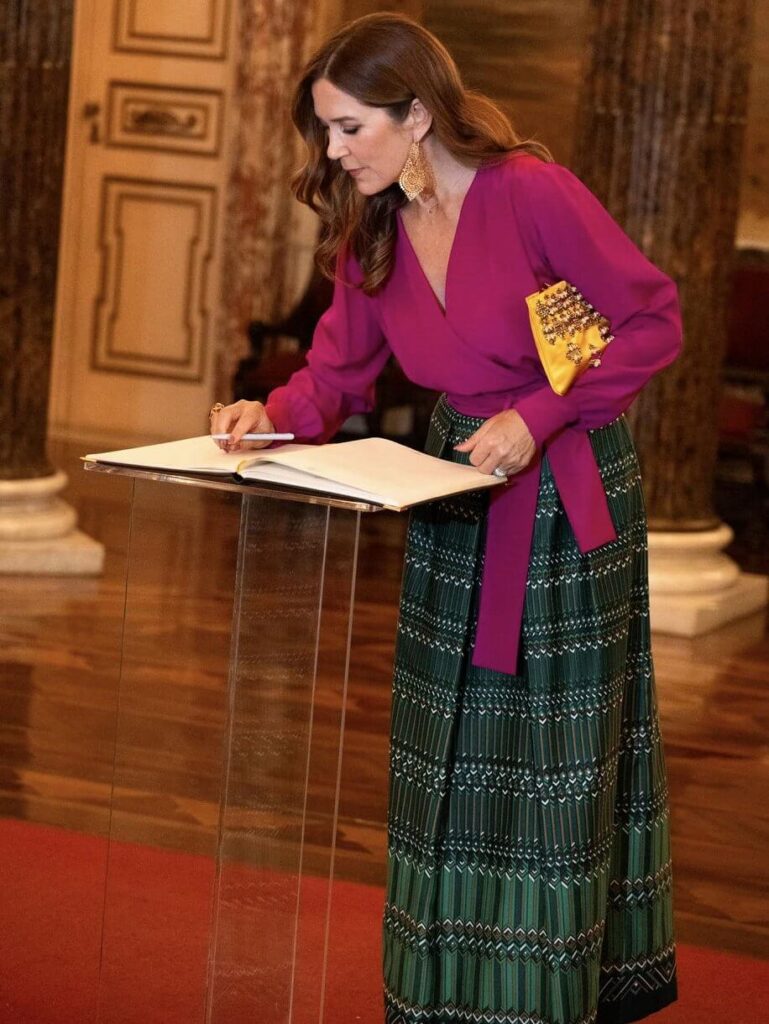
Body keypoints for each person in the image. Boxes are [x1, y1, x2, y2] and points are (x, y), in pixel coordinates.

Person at [209, 13, 681, 1024]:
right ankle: (446, 992)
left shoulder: (531, 194)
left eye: (347, 128)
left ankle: (550, 989)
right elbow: (334, 372)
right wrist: (269, 418)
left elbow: (650, 319)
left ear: (416, 113)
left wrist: (537, 414)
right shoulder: (369, 224)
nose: (333, 153)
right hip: (452, 492)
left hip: (564, 495)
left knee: (549, 754)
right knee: (447, 748)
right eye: (325, 133)